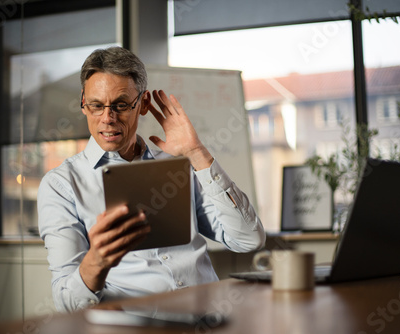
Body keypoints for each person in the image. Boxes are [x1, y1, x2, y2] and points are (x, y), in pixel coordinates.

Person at [37, 46, 266, 312]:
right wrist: (96, 263)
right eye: (96, 106)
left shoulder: (177, 165)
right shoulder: (62, 185)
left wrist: (197, 153)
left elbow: (249, 239)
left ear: (143, 103)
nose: (107, 119)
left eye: (121, 105)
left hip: (212, 317)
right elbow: (67, 303)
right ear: (83, 103)